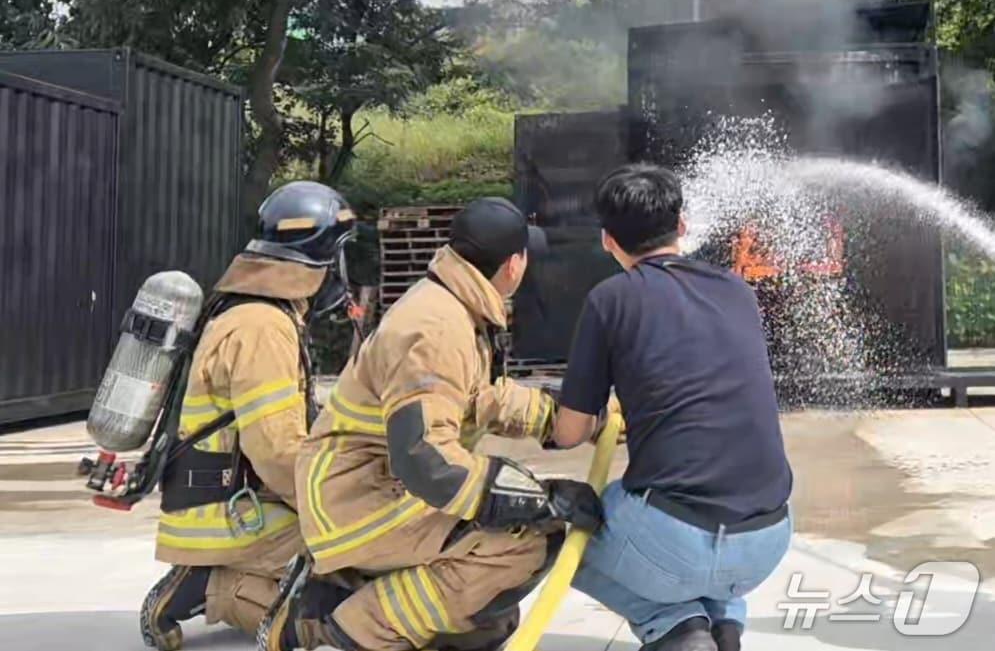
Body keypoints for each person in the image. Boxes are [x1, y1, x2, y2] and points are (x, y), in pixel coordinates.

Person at [258, 197, 603, 651]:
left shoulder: (452, 304)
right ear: (514, 264)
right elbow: (426, 460)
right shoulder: (437, 328)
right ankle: (357, 623)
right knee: (522, 544)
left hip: (371, 489)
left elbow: (478, 397)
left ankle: (337, 592)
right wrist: (536, 500)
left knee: (487, 621)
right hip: (360, 498)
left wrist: (565, 420)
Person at [552, 164, 794, 651]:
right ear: (681, 225)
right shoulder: (737, 291)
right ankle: (724, 623)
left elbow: (569, 432)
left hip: (676, 541)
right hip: (770, 536)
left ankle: (677, 626)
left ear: (606, 240)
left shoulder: (610, 300)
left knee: (549, 535)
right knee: (685, 511)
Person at [141, 181, 358, 650]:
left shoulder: (252, 313)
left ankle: (213, 573)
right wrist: (343, 506)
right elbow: (277, 454)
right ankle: (219, 586)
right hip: (233, 512)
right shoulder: (262, 328)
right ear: (320, 257)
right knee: (361, 581)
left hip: (218, 504)